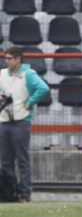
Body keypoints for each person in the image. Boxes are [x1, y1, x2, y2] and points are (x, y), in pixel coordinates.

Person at [0, 46, 50, 203]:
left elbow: (43, 88)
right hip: (4, 120)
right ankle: (9, 193)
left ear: (18, 59)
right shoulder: (2, 74)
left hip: (21, 122)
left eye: (9, 58)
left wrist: (29, 103)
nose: (5, 61)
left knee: (22, 160)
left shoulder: (28, 74)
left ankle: (24, 193)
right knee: (6, 161)